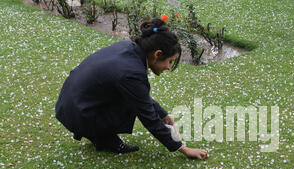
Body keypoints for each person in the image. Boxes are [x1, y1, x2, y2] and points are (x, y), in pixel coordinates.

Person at [55, 18, 208, 160]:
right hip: (79, 112)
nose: (168, 67)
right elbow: (148, 116)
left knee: (130, 97)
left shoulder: (128, 48)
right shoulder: (131, 73)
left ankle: (103, 137)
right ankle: (101, 136)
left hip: (71, 104)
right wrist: (183, 148)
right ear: (157, 54)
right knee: (132, 102)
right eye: (169, 61)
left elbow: (139, 95)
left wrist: (164, 115)